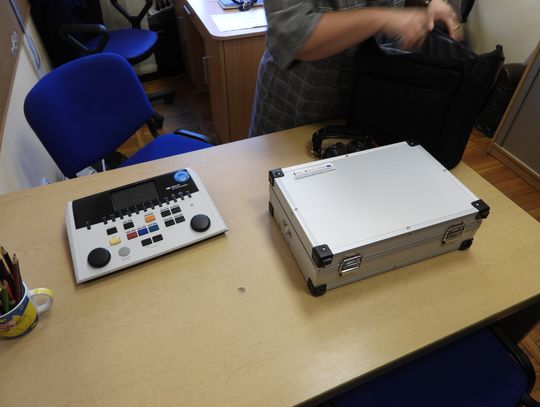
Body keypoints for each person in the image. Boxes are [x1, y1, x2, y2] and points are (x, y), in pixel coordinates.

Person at [249, 0, 463, 138]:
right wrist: (381, 19)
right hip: (301, 109)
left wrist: (429, 3)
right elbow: (294, 34)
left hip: (376, 102)